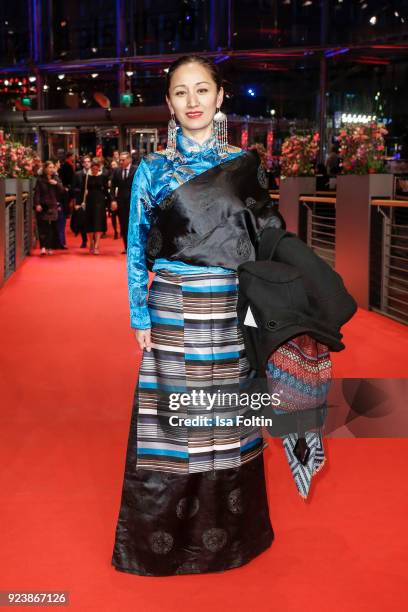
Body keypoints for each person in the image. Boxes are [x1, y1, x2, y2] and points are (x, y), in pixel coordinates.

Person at [111, 55, 285, 577]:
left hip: (234, 309)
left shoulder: (245, 164)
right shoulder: (151, 170)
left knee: (230, 422)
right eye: (181, 92)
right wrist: (139, 316)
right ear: (168, 103)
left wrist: (281, 308)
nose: (192, 101)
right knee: (172, 427)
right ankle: (163, 544)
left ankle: (232, 538)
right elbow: (137, 248)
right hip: (171, 309)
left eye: (201, 90)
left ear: (219, 97)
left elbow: (267, 240)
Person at [33, 161, 65, 256]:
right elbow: (37, 193)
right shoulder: (40, 179)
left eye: (52, 167)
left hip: (53, 205)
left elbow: (62, 191)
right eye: (49, 167)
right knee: (43, 226)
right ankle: (43, 247)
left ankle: (50, 247)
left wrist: (56, 184)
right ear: (45, 168)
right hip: (43, 205)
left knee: (52, 227)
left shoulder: (56, 178)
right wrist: (37, 204)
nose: (51, 169)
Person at [81, 159, 110, 255]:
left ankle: (97, 245)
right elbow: (82, 190)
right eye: (93, 169)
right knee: (89, 224)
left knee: (98, 224)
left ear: (99, 169)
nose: (94, 171)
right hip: (89, 202)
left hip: (100, 202)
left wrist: (110, 202)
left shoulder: (103, 177)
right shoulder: (86, 177)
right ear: (90, 168)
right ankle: (91, 243)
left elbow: (106, 190)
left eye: (96, 169)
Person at [110, 151, 136, 253]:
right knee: (123, 225)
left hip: (133, 203)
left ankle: (135, 247)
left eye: (123, 160)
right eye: (120, 160)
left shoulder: (136, 170)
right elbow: (112, 186)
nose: (121, 161)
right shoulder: (117, 171)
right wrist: (113, 200)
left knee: (133, 226)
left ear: (129, 160)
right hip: (121, 202)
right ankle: (127, 247)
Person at [71, 155, 92, 248]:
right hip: (81, 200)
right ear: (83, 163)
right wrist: (81, 191)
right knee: (82, 221)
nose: (87, 163)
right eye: (85, 162)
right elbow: (73, 188)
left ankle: (93, 240)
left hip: (92, 201)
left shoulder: (95, 173)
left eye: (88, 161)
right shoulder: (77, 174)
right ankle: (84, 240)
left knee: (92, 220)